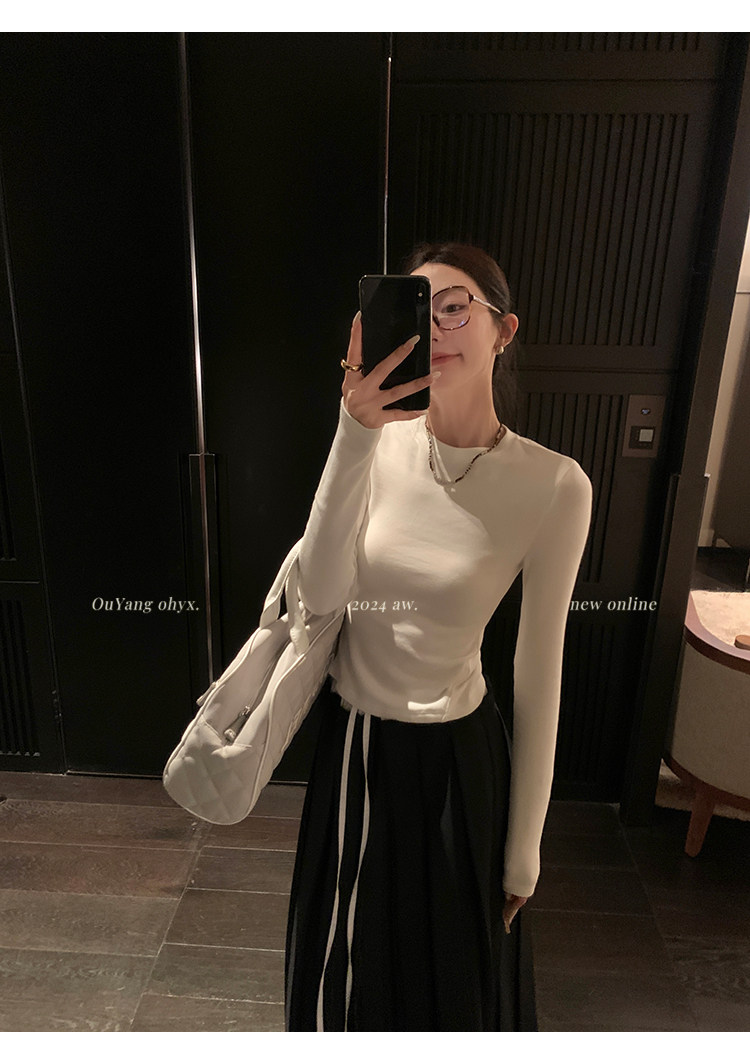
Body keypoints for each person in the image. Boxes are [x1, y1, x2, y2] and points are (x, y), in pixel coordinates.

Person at [284, 242, 593, 1032]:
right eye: (418, 309)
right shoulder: (375, 440)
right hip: (358, 749)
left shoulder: (555, 485)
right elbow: (316, 597)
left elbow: (539, 670)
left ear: (504, 330)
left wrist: (524, 847)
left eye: (455, 307)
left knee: (451, 989)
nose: (437, 327)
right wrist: (353, 430)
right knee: (344, 982)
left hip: (461, 759)